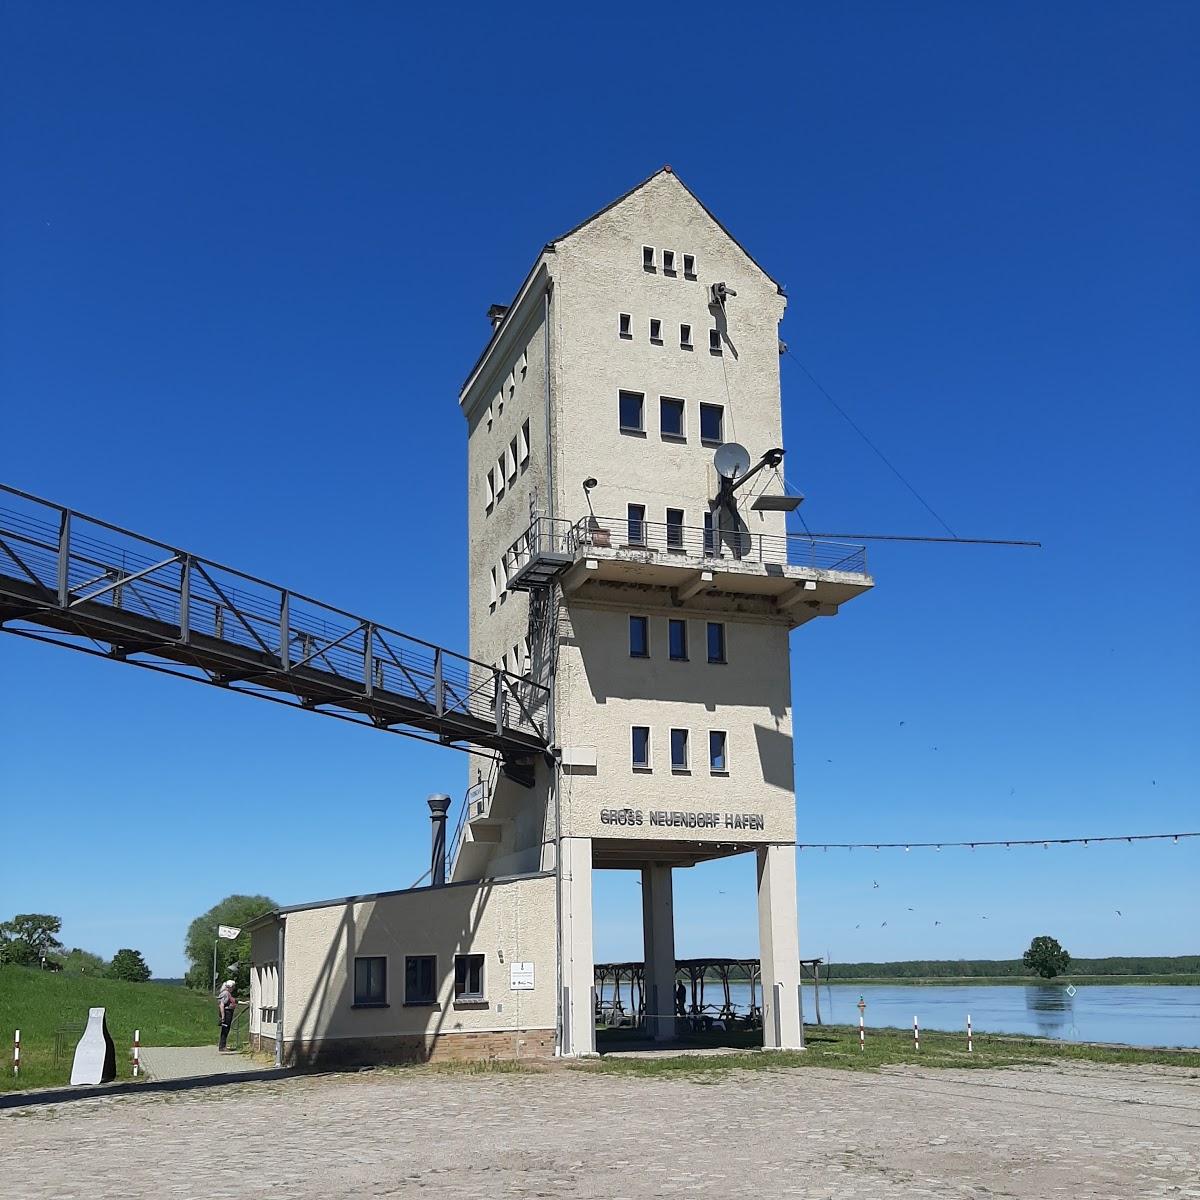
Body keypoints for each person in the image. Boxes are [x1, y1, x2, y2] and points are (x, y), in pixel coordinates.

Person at [217, 979, 237, 1051]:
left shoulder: (228, 993)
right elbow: (221, 1005)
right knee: (225, 1030)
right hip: (226, 1013)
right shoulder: (225, 993)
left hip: (228, 1013)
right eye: (233, 987)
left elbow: (233, 1001)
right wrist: (223, 1017)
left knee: (226, 1029)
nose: (233, 989)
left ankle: (223, 1045)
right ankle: (222, 1046)